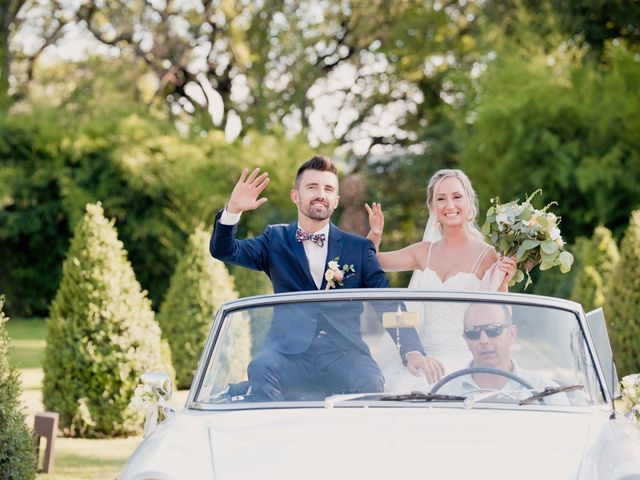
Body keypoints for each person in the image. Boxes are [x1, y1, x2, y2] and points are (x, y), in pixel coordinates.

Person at [209, 156, 433, 401]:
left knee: (370, 381)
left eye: (328, 189)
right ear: (296, 196)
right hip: (287, 354)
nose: (320, 194)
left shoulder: (358, 248)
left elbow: (387, 302)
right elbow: (225, 251)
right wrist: (233, 210)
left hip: (345, 354)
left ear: (336, 200)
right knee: (260, 368)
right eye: (312, 187)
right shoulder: (275, 239)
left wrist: (411, 350)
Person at [365, 169, 517, 388]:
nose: (450, 205)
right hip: (422, 358)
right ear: (433, 207)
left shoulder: (488, 255)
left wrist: (503, 281)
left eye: (457, 197)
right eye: (441, 199)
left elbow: (503, 317)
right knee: (394, 386)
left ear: (469, 202)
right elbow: (372, 263)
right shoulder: (422, 252)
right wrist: (375, 235)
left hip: (464, 359)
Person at [438, 303, 569, 404]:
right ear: (466, 339)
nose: (484, 340)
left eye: (493, 330)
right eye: (473, 332)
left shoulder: (547, 394)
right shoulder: (440, 394)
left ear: (511, 334)